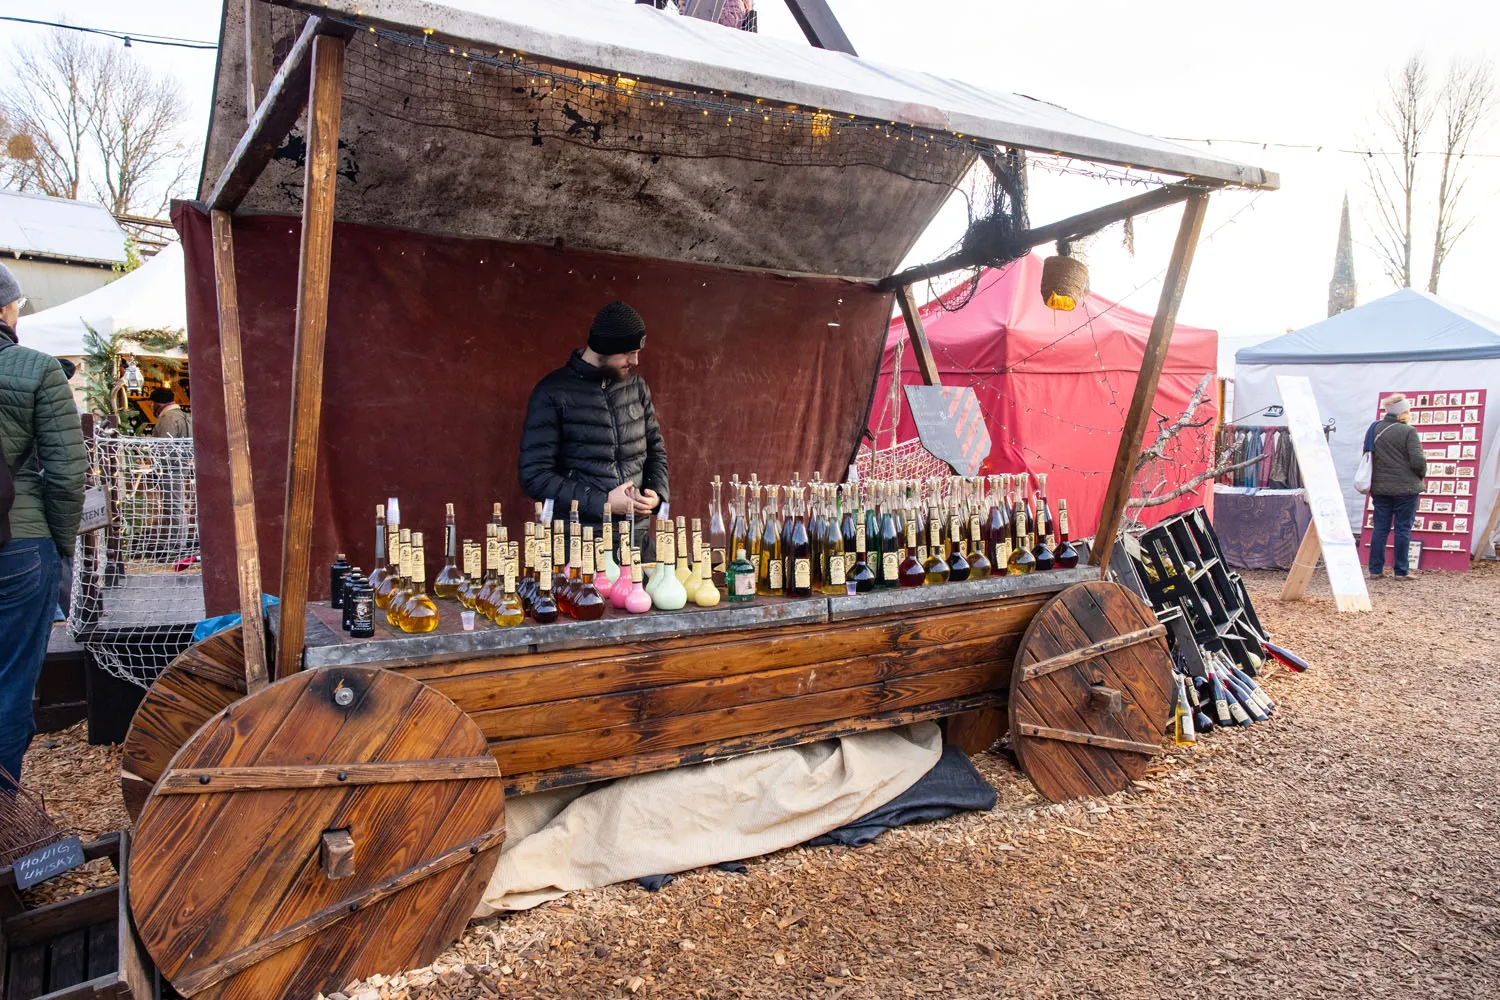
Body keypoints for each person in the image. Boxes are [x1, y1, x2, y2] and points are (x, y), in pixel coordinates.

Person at [0, 262, 86, 784]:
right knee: (10, 683)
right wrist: (59, 545)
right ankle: (6, 815)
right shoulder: (35, 369)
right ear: (6, 309)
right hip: (19, 541)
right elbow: (66, 475)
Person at [519, 301, 668, 556]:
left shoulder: (637, 388)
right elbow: (534, 476)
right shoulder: (553, 393)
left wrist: (657, 496)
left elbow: (656, 452)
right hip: (579, 548)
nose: (635, 360)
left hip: (636, 543)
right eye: (628, 352)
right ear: (603, 349)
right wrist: (605, 503)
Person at [1363, 393, 1426, 579]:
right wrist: (1421, 475)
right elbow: (1418, 461)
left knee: (1380, 528)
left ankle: (1375, 570)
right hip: (1406, 488)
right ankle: (1400, 570)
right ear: (1403, 413)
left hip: (1380, 488)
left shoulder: (1374, 429)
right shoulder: (1408, 432)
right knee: (1403, 529)